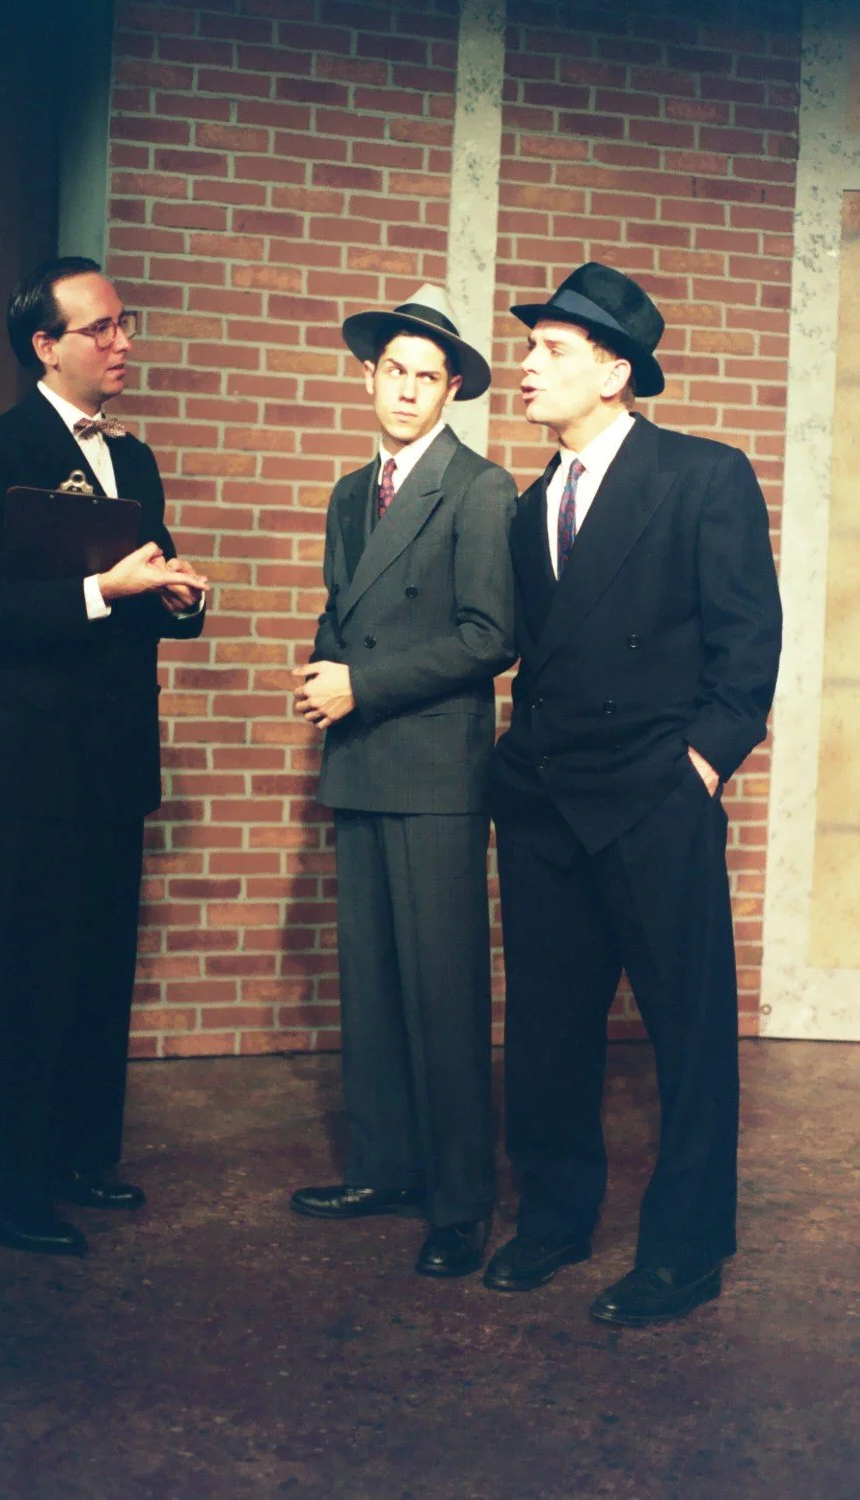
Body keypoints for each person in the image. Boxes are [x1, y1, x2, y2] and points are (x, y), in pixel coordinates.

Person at [485, 262, 782, 1324]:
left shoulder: (703, 475)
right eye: (532, 348)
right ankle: (555, 1221)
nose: (525, 365)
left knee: (687, 1037)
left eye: (551, 351)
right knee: (547, 1031)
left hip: (654, 801)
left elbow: (748, 648)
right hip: (547, 803)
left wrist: (697, 769)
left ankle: (685, 1252)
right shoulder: (529, 510)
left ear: (613, 372)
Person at [0, 256, 207, 1256]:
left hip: (113, 761)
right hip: (32, 766)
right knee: (31, 980)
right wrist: (104, 595)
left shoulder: (132, 462)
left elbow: (152, 576)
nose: (123, 342)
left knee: (98, 974)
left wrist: (181, 596)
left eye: (124, 323)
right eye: (101, 328)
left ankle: (80, 1158)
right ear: (45, 345)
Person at [290, 285, 516, 1277]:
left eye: (429, 378)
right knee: (372, 985)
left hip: (432, 766)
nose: (408, 391)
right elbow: (345, 609)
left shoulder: (478, 489)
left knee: (443, 989)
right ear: (370, 376)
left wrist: (360, 683)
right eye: (395, 372)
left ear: (452, 389)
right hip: (361, 759)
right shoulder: (352, 490)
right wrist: (320, 671)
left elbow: (488, 638)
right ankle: (383, 1166)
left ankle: (459, 1201)